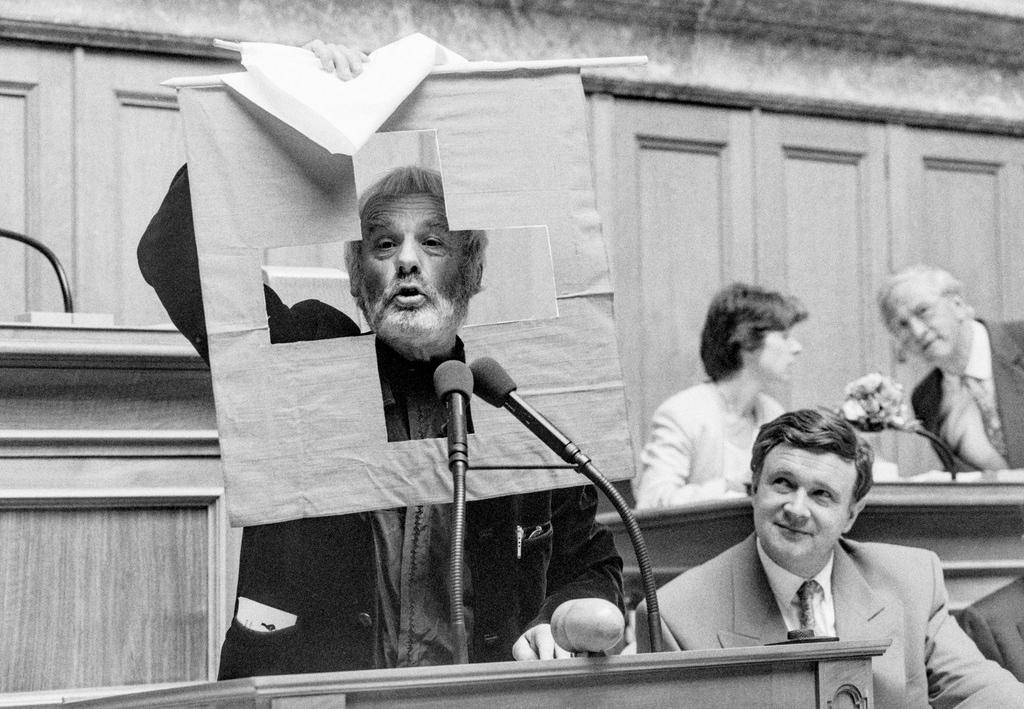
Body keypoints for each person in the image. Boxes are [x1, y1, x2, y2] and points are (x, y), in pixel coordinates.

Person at [138, 42, 622, 678]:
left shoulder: (517, 397)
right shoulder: (307, 353)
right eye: (383, 243)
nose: (407, 262)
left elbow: (592, 561)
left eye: (433, 242)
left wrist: (568, 612)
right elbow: (174, 250)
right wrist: (295, 102)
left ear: (470, 272)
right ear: (359, 279)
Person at [636, 409, 1024, 706]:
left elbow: (979, 689)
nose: (797, 509)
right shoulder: (674, 616)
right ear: (753, 488)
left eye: (822, 494)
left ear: (851, 514)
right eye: (783, 484)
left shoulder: (912, 579)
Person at [633, 283, 806, 508]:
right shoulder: (681, 412)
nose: (796, 347)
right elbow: (652, 502)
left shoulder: (773, 413)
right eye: (784, 336)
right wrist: (731, 487)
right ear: (747, 339)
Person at [878, 264, 1024, 471]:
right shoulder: (927, 398)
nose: (918, 331)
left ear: (958, 305)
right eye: (902, 325)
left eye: (923, 311)